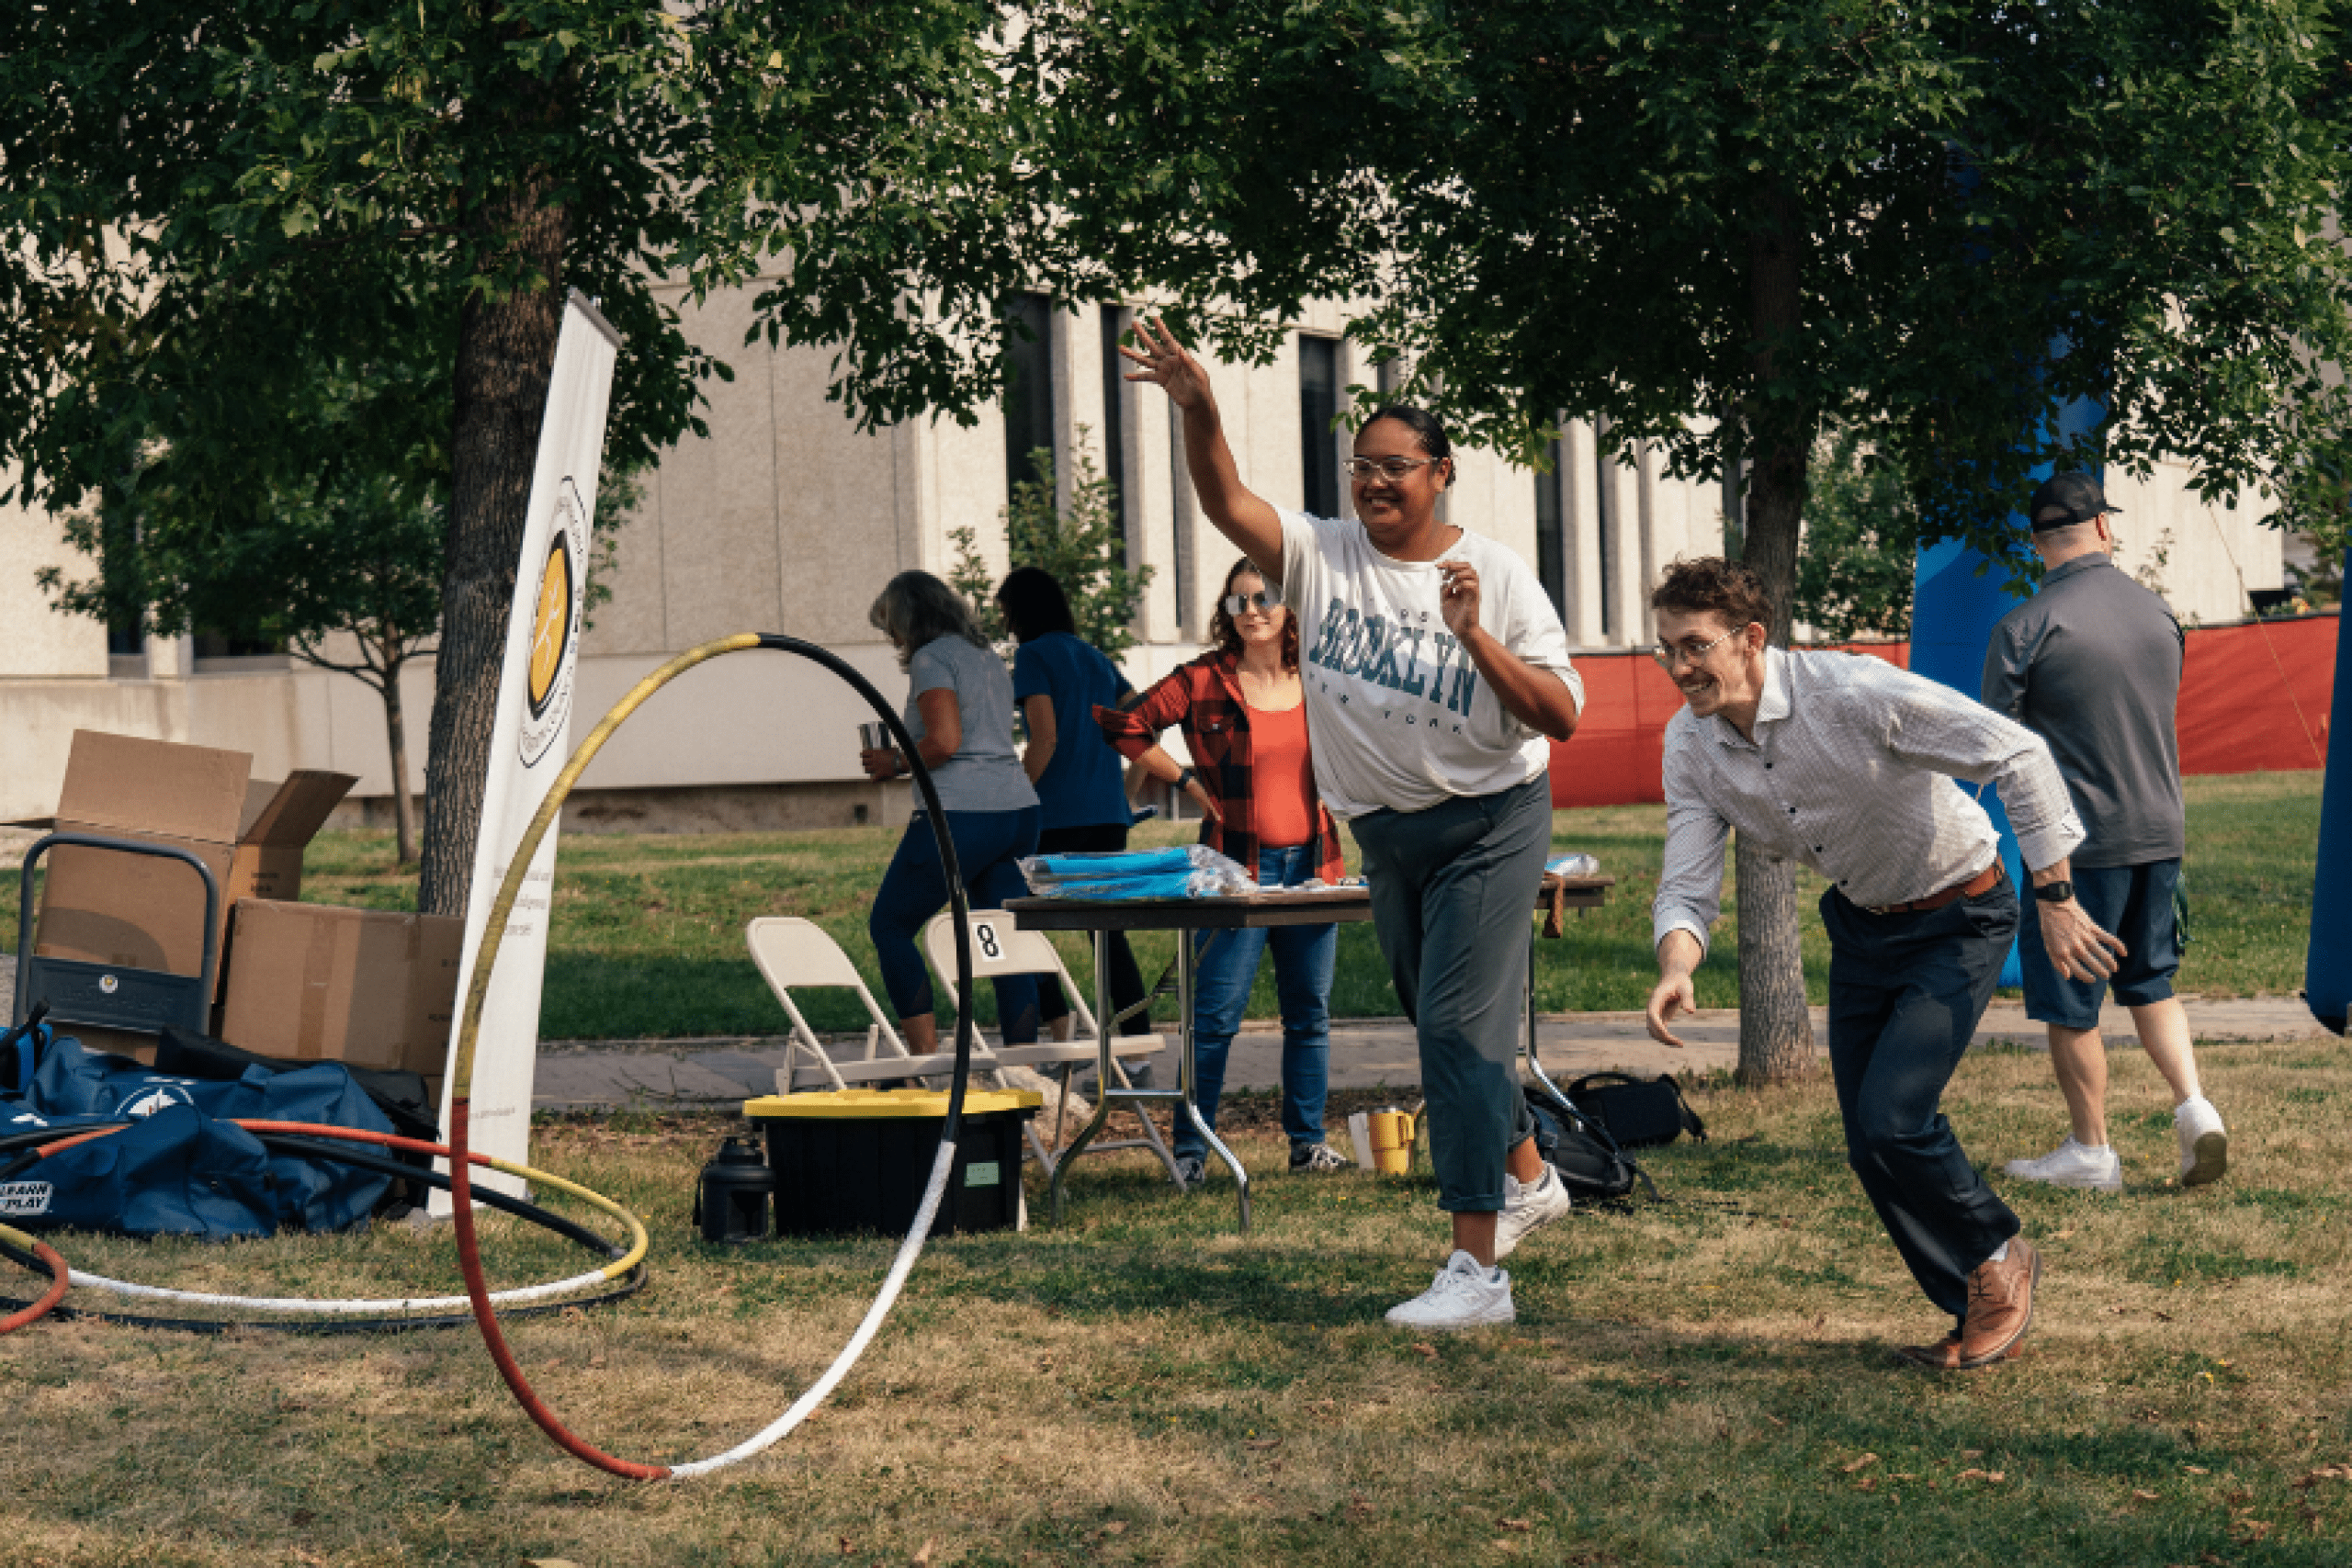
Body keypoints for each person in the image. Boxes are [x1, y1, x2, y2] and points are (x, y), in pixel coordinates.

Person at [1122, 317, 1585, 1331]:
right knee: (1447, 1027)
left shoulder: (1496, 574)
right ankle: (1528, 1173)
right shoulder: (1322, 558)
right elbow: (1226, 501)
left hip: (1492, 821)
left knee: (1458, 1033)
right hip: (1388, 834)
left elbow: (1556, 715)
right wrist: (1198, 408)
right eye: (1359, 467)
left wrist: (1473, 639)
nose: (1373, 483)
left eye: (1395, 467)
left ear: (1441, 473)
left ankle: (1477, 1272)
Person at [1644, 558, 2114, 1372]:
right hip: (1864, 927)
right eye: (1666, 650)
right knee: (1870, 1142)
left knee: (1897, 1116)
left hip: (1959, 913)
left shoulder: (1852, 692)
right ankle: (1977, 1291)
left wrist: (2058, 894)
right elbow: (1688, 873)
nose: (1680, 667)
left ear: (1751, 639)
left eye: (1695, 646)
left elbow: (2018, 753)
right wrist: (1676, 964)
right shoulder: (1691, 743)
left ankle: (1998, 1252)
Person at [1982, 472, 2227, 1192]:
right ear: (2104, 528)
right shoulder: (2159, 614)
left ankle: (2091, 1151)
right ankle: (2195, 1109)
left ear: (2037, 543)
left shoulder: (2024, 628)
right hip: (2162, 829)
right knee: (2151, 981)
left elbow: (1994, 745)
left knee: (2073, 998)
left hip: (2078, 846)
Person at [1097, 556, 1352, 1184]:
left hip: (1313, 867)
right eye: (1239, 602)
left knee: (1309, 1013)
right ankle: (1193, 1151)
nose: (1253, 611)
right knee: (1214, 1017)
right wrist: (1182, 777)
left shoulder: (1320, 674)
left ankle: (1307, 1143)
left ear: (1289, 605)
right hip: (1233, 873)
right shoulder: (1205, 678)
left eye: (1264, 597)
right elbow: (1125, 725)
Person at [861, 570, 1041, 1057]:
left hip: (963, 812)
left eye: (891, 627)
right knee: (1002, 943)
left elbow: (945, 741)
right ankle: (1024, 1069)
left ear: (908, 619)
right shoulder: (986, 657)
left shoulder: (931, 657)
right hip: (1017, 809)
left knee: (890, 927)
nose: (893, 640)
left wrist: (895, 761)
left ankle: (924, 1058)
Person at [997, 566, 1152, 1046]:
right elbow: (1144, 719)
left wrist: (1016, 800)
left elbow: (1043, 739)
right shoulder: (1095, 658)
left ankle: (1055, 1032)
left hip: (1055, 816)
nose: (1006, 626)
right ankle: (1135, 1050)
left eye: (1007, 614)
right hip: (1108, 816)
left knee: (1016, 918)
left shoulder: (1033, 656)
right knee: (1108, 936)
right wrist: (1128, 792)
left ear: (1023, 612)